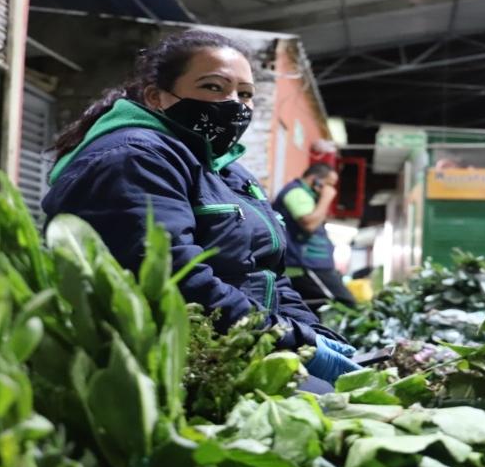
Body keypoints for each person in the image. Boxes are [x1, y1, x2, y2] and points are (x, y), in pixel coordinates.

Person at [40, 30, 361, 392]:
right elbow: (174, 278)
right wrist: (289, 340)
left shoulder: (225, 169)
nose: (235, 104)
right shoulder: (133, 158)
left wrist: (311, 332)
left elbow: (269, 272)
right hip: (170, 365)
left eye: (245, 94)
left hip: (242, 345)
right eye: (213, 87)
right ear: (155, 97)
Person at [273, 164, 358, 309]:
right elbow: (309, 224)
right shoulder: (296, 193)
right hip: (306, 264)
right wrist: (326, 198)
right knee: (345, 303)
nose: (331, 189)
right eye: (329, 185)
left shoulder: (307, 196)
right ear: (315, 179)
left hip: (314, 264)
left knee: (315, 307)